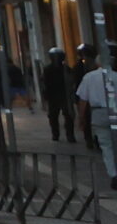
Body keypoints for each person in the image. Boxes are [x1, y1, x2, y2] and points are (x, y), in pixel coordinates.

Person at [74, 49, 115, 185]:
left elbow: (83, 100)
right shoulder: (115, 76)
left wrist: (81, 118)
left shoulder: (89, 77)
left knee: (105, 145)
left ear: (97, 63)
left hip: (98, 113)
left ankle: (113, 174)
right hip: (115, 111)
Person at [43, 49, 74, 143]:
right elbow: (45, 83)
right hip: (55, 95)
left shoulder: (65, 68)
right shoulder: (49, 69)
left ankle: (66, 135)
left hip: (62, 95)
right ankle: (58, 134)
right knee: (55, 116)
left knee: (66, 116)